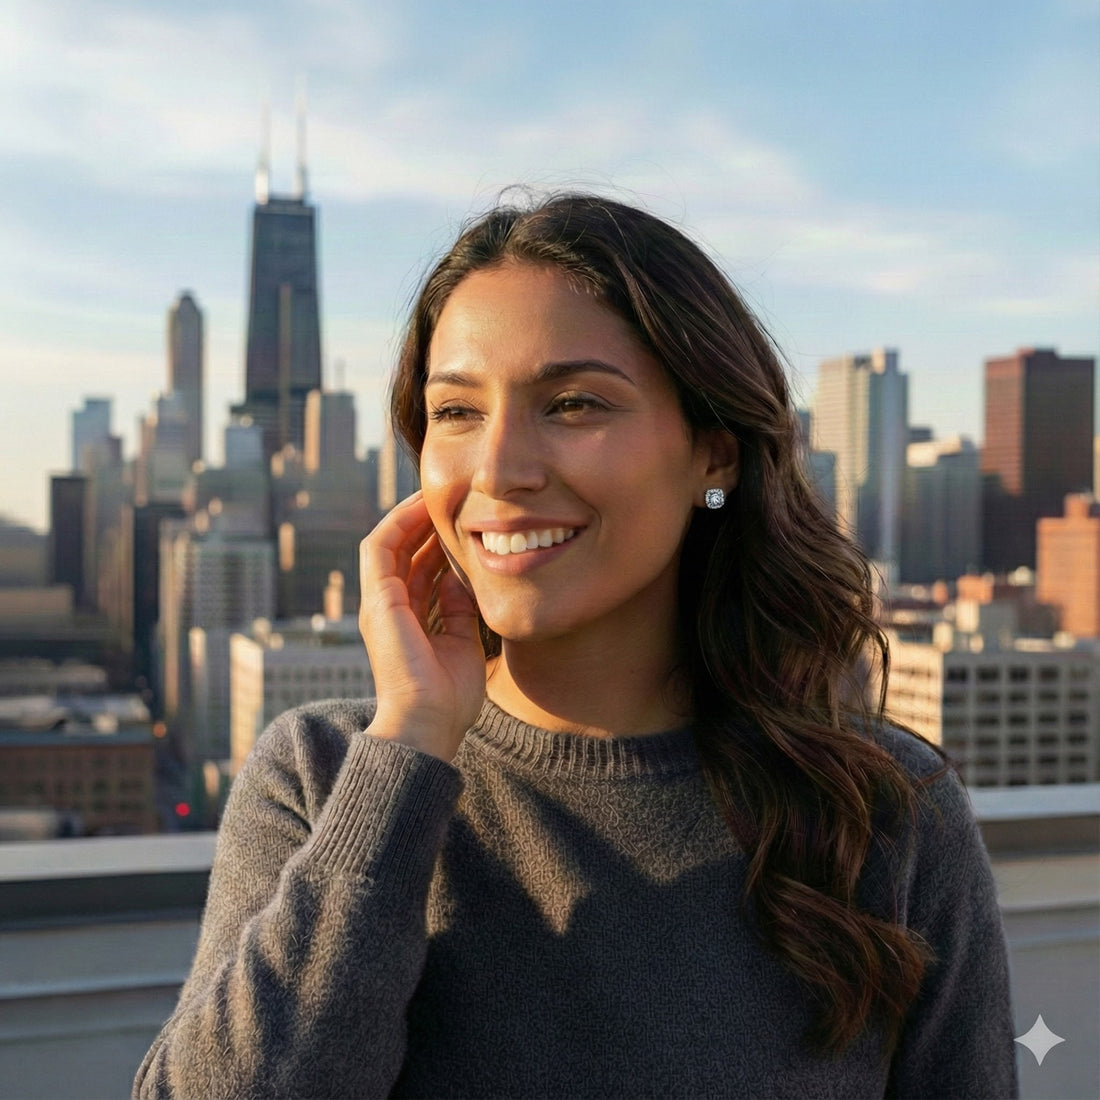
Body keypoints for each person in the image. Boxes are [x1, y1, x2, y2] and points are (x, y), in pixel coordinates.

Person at [134, 193, 1018, 1099]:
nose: (501, 469)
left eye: (573, 404)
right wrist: (408, 746)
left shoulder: (885, 815)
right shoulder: (323, 779)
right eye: (457, 412)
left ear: (713, 454)